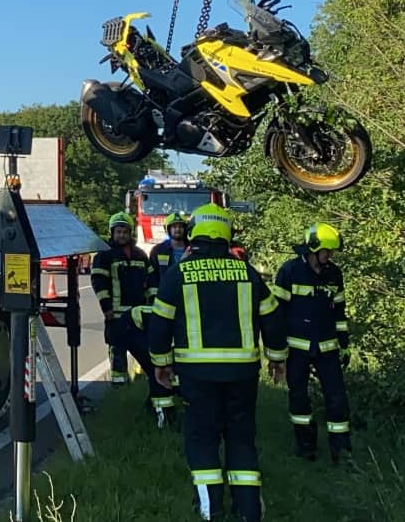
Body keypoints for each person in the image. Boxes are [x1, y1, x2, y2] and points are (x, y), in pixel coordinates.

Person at [148, 203, 288, 522]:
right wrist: (276, 358)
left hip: (197, 375)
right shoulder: (247, 272)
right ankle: (249, 510)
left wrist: (161, 362)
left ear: (195, 233)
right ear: (227, 234)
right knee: (241, 437)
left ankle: (211, 510)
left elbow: (159, 323)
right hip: (243, 373)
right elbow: (273, 318)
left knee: (202, 438)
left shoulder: (179, 273)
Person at [273, 222, 353, 463]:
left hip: (327, 348)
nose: (329, 256)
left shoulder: (334, 274)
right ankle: (305, 447)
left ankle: (342, 452)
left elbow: (339, 311)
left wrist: (344, 344)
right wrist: (277, 350)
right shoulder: (289, 272)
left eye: (331, 252)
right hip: (296, 349)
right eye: (326, 251)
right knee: (299, 398)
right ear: (312, 249)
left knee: (337, 399)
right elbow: (276, 314)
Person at [92, 212, 157, 388]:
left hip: (138, 313)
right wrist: (106, 308)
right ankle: (119, 387)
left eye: (125, 231)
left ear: (130, 233)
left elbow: (151, 281)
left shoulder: (140, 255)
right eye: (118, 231)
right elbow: (99, 283)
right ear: (112, 232)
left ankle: (146, 379)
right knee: (117, 350)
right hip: (116, 314)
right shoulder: (105, 255)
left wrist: (152, 303)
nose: (122, 235)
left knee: (144, 349)